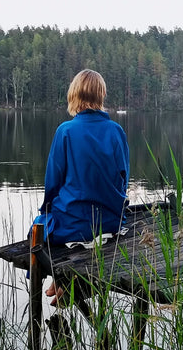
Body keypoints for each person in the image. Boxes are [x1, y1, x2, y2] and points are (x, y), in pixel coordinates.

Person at [30, 69, 130, 305]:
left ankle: (63, 283)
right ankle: (66, 285)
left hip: (74, 225)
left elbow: (53, 183)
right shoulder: (117, 132)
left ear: (74, 95)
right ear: (101, 96)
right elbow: (123, 180)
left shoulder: (65, 131)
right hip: (110, 222)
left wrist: (47, 211)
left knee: (38, 228)